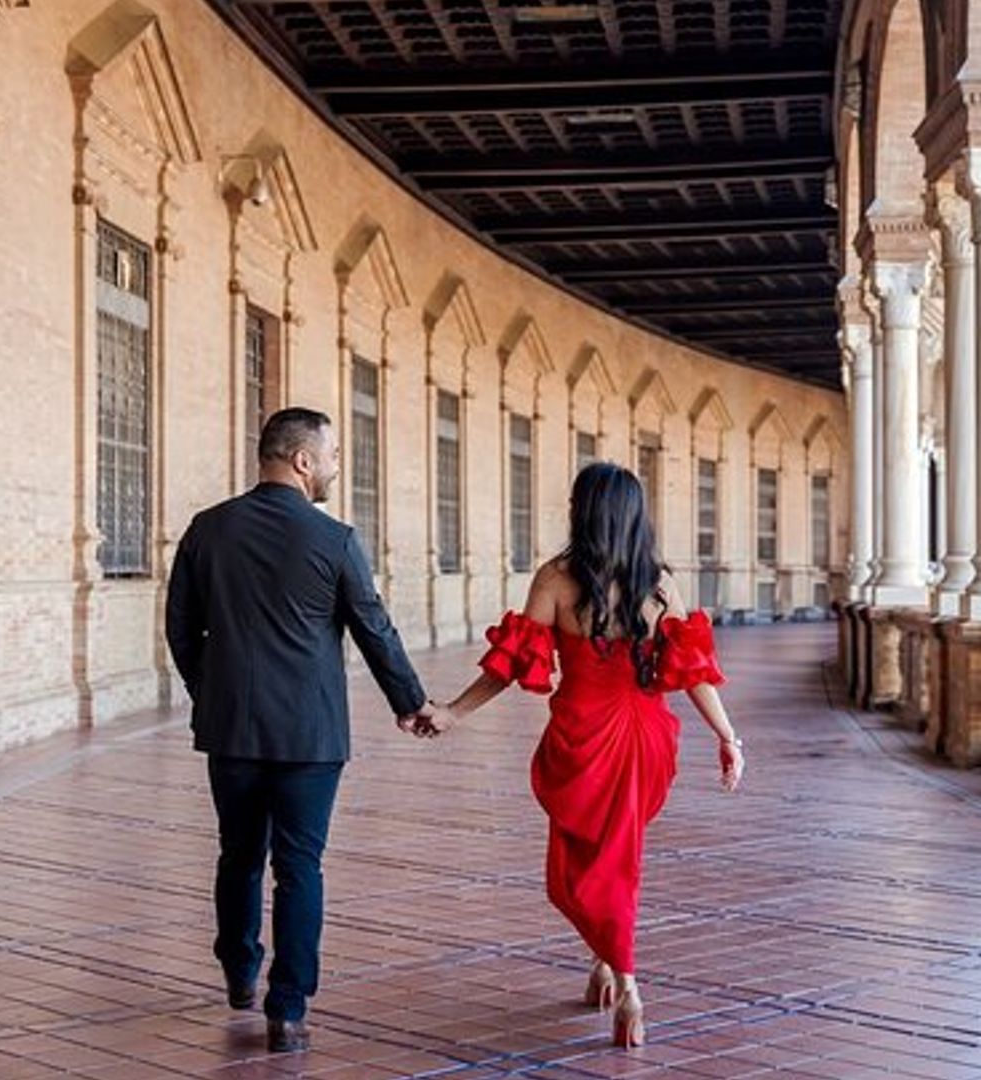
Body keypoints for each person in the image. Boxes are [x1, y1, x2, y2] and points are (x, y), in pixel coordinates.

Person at [417, 462, 743, 1048]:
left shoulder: (557, 579)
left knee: (574, 874)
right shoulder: (661, 582)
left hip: (585, 738)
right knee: (621, 861)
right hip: (646, 738)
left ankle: (629, 984)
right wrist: (727, 736)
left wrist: (453, 712)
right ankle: (606, 963)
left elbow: (512, 664)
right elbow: (693, 672)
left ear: (581, 510)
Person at [165, 407, 434, 1054]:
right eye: (333, 454)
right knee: (300, 866)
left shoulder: (208, 530)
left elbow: (181, 628)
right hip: (311, 738)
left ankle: (238, 966)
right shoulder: (335, 540)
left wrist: (214, 692)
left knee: (238, 853)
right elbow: (374, 626)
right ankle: (287, 1009)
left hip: (231, 731)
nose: (338, 466)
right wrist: (411, 701)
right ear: (303, 460)